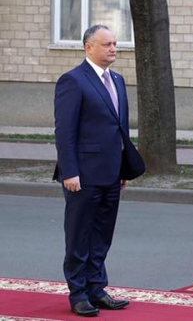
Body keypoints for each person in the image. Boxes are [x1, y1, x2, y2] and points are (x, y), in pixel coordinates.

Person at [54, 24, 145, 317]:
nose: (113, 49)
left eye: (115, 44)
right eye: (106, 44)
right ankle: (78, 294)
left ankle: (97, 288)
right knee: (80, 236)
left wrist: (123, 169)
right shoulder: (73, 81)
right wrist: (70, 172)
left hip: (111, 173)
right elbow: (64, 132)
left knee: (102, 234)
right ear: (88, 47)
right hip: (82, 175)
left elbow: (119, 130)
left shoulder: (117, 80)